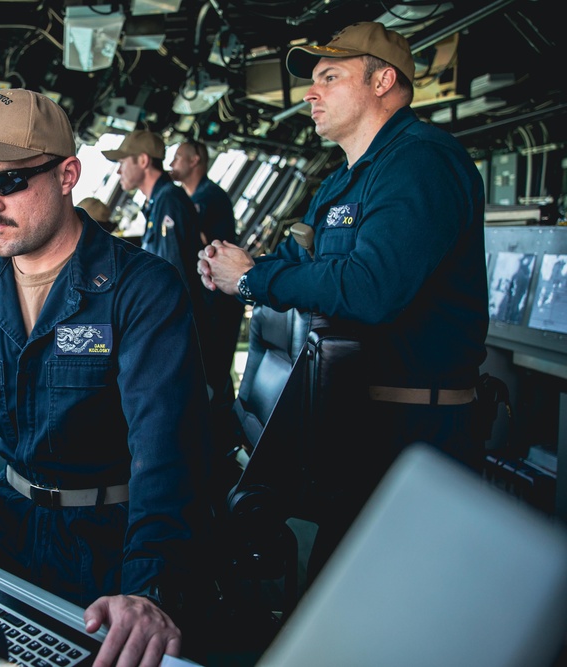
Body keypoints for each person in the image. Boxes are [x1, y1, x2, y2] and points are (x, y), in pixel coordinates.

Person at [0, 88, 214, 666]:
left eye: (7, 182)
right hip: (6, 527)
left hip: (109, 543)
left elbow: (166, 448)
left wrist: (145, 586)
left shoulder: (142, 290)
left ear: (67, 174)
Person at [197, 22, 489, 579]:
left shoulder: (422, 162)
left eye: (329, 77)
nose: (311, 91)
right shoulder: (340, 183)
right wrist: (231, 267)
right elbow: (296, 258)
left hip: (419, 435)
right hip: (359, 429)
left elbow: (371, 288)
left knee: (399, 608)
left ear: (383, 82)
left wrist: (254, 281)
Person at [170, 139, 245, 413]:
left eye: (178, 157)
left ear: (195, 161)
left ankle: (224, 436)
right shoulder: (192, 199)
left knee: (214, 372)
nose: (171, 164)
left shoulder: (209, 199)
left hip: (219, 300)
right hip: (209, 298)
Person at [101, 130, 205, 326]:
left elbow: (173, 269)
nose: (118, 171)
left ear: (142, 161)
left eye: (122, 163)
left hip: (176, 319)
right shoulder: (158, 202)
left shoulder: (169, 200)